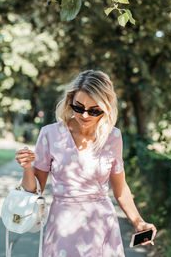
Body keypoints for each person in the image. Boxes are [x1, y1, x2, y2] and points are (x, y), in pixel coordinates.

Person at [16, 70, 157, 257]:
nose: (85, 115)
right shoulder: (50, 134)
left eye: (94, 110)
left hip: (102, 226)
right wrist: (27, 168)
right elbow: (35, 191)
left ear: (106, 107)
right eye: (78, 107)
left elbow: (120, 187)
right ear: (70, 101)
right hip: (63, 228)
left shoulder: (113, 137)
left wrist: (139, 222)